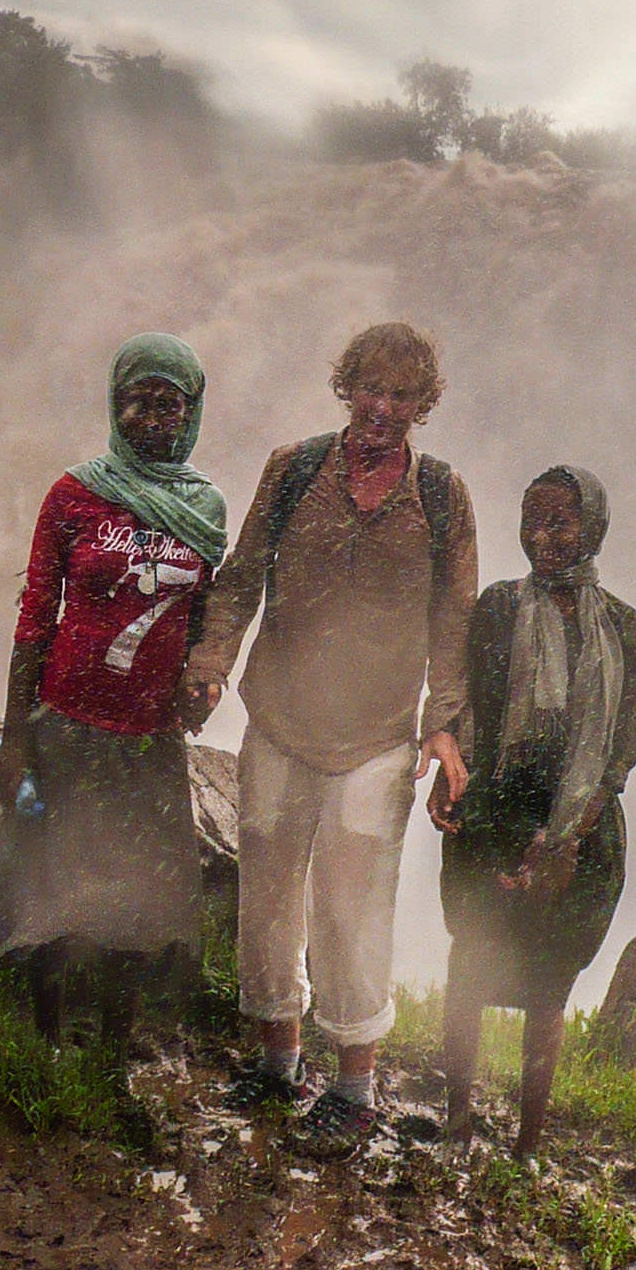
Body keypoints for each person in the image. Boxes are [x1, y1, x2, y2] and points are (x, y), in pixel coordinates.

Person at [181, 321, 477, 1158]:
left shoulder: (444, 497)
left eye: (402, 396)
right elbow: (240, 578)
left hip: (379, 734)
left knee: (354, 906)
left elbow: (453, 621)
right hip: (278, 716)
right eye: (369, 389)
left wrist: (443, 730)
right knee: (266, 890)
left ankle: (354, 1088)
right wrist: (209, 662)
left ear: (423, 406)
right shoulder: (294, 468)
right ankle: (278, 1063)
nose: (382, 408)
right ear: (345, 387)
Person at [0, 333, 227, 1062]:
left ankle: (110, 1049)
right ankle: (46, 1039)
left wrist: (207, 680)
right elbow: (33, 619)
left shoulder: (205, 510)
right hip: (69, 725)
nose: (150, 417)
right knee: (53, 882)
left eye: (167, 404)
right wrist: (16, 738)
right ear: (114, 405)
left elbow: (206, 623)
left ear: (190, 413)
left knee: (137, 897)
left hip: (148, 736)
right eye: (136, 400)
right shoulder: (75, 493)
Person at [431, 466, 636, 1160]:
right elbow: (471, 711)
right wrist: (456, 784)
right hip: (495, 810)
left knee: (548, 985)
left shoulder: (622, 627)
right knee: (470, 966)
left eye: (559, 522)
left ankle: (527, 1146)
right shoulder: (497, 607)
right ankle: (456, 1123)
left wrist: (560, 843)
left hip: (579, 829)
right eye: (531, 520)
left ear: (592, 528)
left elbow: (622, 748)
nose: (541, 537)